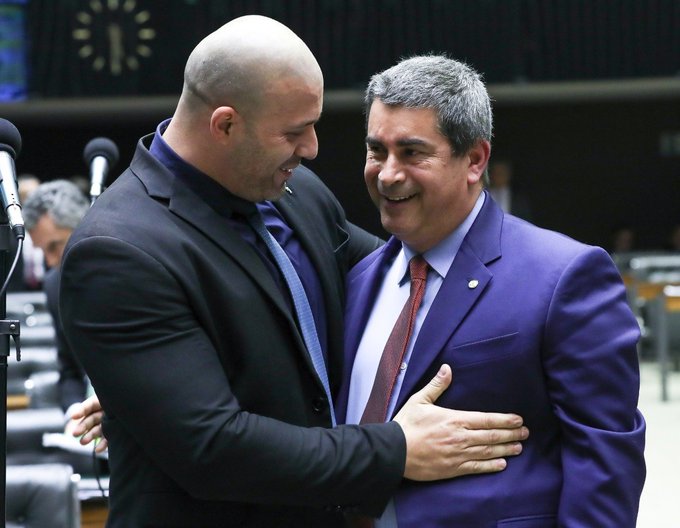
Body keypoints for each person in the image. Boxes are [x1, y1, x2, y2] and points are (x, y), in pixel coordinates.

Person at [59, 17, 528, 528]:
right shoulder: (118, 250)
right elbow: (213, 449)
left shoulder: (292, 189)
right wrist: (396, 449)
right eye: (293, 132)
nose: (312, 148)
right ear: (225, 125)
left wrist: (543, 286)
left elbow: (402, 283)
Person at [335, 55, 646, 527]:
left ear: (475, 160)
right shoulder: (358, 281)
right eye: (377, 150)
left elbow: (605, 468)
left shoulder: (564, 277)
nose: (388, 173)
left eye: (413, 152)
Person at [23, 180, 92, 424]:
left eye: (54, 246)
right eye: (42, 251)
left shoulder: (131, 269)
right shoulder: (54, 285)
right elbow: (69, 369)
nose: (50, 262)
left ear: (84, 225)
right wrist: (74, 414)